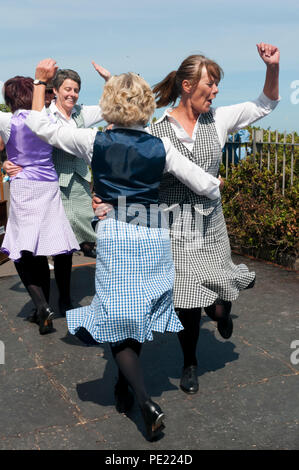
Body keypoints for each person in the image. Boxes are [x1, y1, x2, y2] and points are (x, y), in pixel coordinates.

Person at [26, 63, 223, 440]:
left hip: (117, 235)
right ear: (145, 105)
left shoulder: (93, 140)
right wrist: (215, 184)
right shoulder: (159, 144)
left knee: (119, 318)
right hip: (153, 236)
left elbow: (41, 126)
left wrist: (40, 82)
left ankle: (145, 400)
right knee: (135, 316)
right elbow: (203, 184)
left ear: (110, 104)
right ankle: (123, 386)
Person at [145, 42, 280, 395]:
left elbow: (265, 104)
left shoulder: (218, 119)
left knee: (217, 309)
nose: (216, 91)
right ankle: (190, 362)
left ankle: (222, 314)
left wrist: (272, 68)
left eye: (217, 84)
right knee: (186, 302)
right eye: (211, 84)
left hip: (210, 225)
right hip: (175, 227)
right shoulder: (155, 130)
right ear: (188, 86)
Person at [4, 60, 110, 316]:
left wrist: (109, 81)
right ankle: (52, 302)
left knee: (69, 246)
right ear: (55, 90)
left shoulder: (82, 114)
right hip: (53, 185)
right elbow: (25, 138)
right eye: (67, 89)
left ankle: (64, 299)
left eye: (76, 90)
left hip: (74, 183)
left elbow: (111, 108)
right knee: (54, 245)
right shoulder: (44, 113)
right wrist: (8, 164)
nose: (72, 94)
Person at [0, 76, 79, 334]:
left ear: (10, 98)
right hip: (48, 184)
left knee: (23, 251)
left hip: (24, 186)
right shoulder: (49, 119)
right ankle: (46, 306)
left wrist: (4, 163)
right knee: (44, 247)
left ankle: (42, 305)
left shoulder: (7, 121)